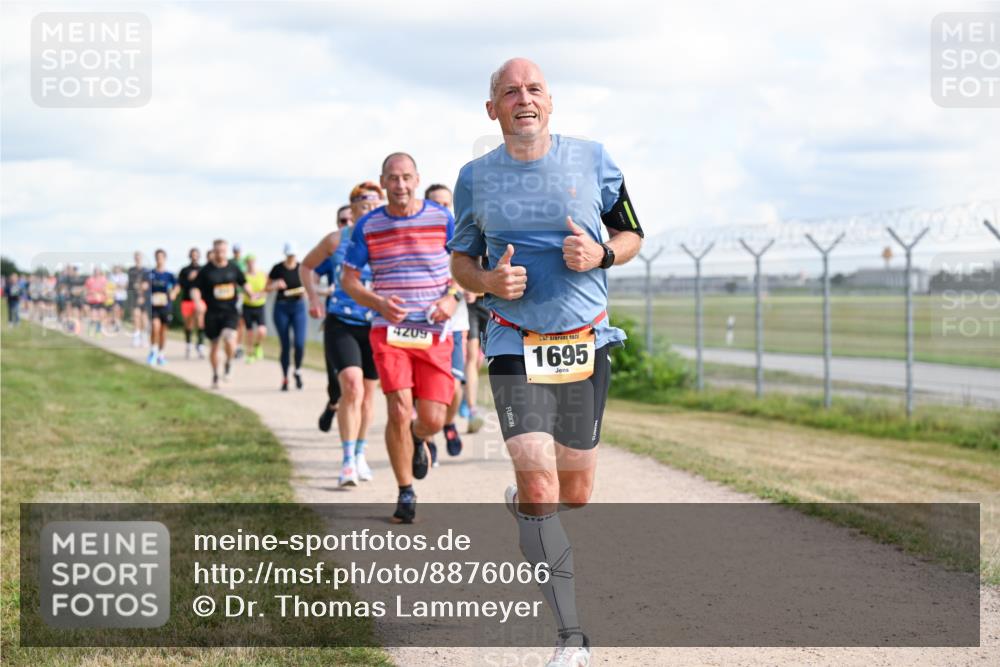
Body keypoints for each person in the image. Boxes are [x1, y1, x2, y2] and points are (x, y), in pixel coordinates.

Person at [449, 58, 644, 667]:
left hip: (585, 341)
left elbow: (633, 233)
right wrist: (487, 280)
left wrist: (602, 254)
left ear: (550, 103)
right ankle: (571, 637)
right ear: (493, 110)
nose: (522, 98)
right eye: (510, 92)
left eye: (533, 89)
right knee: (540, 483)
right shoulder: (474, 178)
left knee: (575, 493)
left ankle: (531, 506)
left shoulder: (595, 160)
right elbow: (460, 262)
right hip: (513, 340)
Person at [342, 153, 458, 523]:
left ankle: (419, 437)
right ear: (383, 181)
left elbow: (465, 265)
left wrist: (451, 298)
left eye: (407, 177)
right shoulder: (368, 226)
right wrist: (376, 301)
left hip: (434, 332)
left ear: (418, 178)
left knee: (433, 418)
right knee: (397, 407)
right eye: (393, 179)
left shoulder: (442, 219)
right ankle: (405, 491)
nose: (401, 185)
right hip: (389, 332)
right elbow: (349, 280)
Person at [302, 188, 381, 487]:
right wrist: (313, 298)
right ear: (353, 208)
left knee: (368, 395)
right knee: (351, 386)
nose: (369, 208)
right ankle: (347, 460)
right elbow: (306, 266)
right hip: (342, 322)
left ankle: (361, 453)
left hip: (376, 325)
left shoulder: (387, 238)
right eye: (363, 204)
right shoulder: (337, 240)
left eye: (375, 204)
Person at [425, 183, 468, 460]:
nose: (442, 210)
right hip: (422, 323)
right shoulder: (417, 236)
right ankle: (426, 441)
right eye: (435, 204)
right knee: (425, 389)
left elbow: (470, 269)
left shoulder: (460, 234)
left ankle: (449, 422)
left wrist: (459, 291)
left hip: (452, 323)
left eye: (446, 204)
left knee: (453, 387)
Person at [189, 239, 253, 389]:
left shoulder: (233, 268)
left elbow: (243, 282)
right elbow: (195, 288)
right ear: (213, 251)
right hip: (212, 312)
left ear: (227, 251)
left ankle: (229, 363)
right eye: (217, 251)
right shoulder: (206, 270)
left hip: (230, 311)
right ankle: (215, 374)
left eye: (223, 251)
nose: (220, 254)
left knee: (230, 339)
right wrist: (198, 302)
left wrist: (251, 293)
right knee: (215, 346)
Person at [268, 242, 308, 391]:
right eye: (289, 255)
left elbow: (310, 287)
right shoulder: (277, 268)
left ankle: (297, 370)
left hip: (298, 308)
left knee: (299, 343)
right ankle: (285, 378)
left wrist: (306, 292)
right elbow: (267, 287)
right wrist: (275, 285)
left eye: (293, 255)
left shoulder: (302, 268)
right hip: (282, 308)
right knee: (285, 345)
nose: (291, 258)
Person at [145, 249, 180, 366]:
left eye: (161, 257)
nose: (159, 259)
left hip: (166, 306)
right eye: (157, 257)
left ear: (165, 259)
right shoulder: (150, 274)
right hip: (153, 305)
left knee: (163, 332)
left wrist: (174, 292)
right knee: (155, 327)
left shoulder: (169, 275)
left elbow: (177, 286)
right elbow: (144, 285)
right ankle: (153, 351)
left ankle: (161, 354)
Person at [178, 248, 207, 359]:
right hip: (187, 300)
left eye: (196, 255)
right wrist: (189, 279)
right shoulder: (184, 270)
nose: (194, 257)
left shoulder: (203, 269)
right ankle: (188, 344)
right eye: (192, 255)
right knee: (189, 324)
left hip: (200, 300)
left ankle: (200, 345)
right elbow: (180, 284)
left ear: (199, 256)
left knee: (200, 321)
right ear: (190, 256)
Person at [241, 253, 268, 362]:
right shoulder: (244, 276)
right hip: (247, 306)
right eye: (249, 262)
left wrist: (259, 295)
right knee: (250, 332)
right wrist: (250, 295)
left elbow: (267, 289)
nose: (251, 264)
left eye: (252, 261)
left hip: (260, 306)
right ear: (246, 263)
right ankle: (250, 354)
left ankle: (258, 346)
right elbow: (242, 288)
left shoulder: (262, 274)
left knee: (262, 331)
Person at [127, 252, 148, 347]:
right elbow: (131, 284)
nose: (137, 259)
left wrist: (142, 295)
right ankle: (136, 337)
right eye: (136, 257)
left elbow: (146, 285)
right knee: (136, 316)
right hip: (134, 296)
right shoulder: (131, 270)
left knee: (144, 318)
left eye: (139, 257)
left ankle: (144, 337)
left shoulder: (146, 271)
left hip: (144, 296)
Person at [83, 266, 109, 336]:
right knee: (94, 317)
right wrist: (91, 293)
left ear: (100, 272)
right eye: (95, 271)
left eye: (98, 271)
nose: (97, 273)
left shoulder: (104, 279)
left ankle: (98, 331)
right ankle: (90, 328)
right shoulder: (89, 280)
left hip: (101, 300)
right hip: (92, 300)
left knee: (101, 316)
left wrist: (104, 294)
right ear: (94, 272)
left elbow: (106, 289)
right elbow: (86, 290)